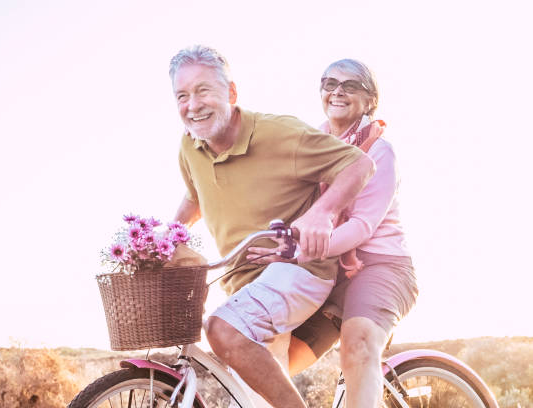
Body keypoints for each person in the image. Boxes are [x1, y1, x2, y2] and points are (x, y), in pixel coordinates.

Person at [170, 45, 375, 408]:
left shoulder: (279, 133)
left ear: (231, 93)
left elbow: (358, 165)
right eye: (182, 96)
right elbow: (195, 197)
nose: (193, 105)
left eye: (203, 91)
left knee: (221, 328)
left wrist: (322, 213)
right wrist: (165, 239)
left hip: (298, 270)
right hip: (244, 285)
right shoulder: (190, 146)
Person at [248, 59, 419, 408]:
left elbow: (361, 227)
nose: (337, 91)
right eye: (330, 83)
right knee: (270, 352)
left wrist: (299, 252)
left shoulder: (378, 151)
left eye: (350, 85)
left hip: (379, 267)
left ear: (370, 100)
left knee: (357, 344)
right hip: (325, 271)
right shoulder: (312, 143)